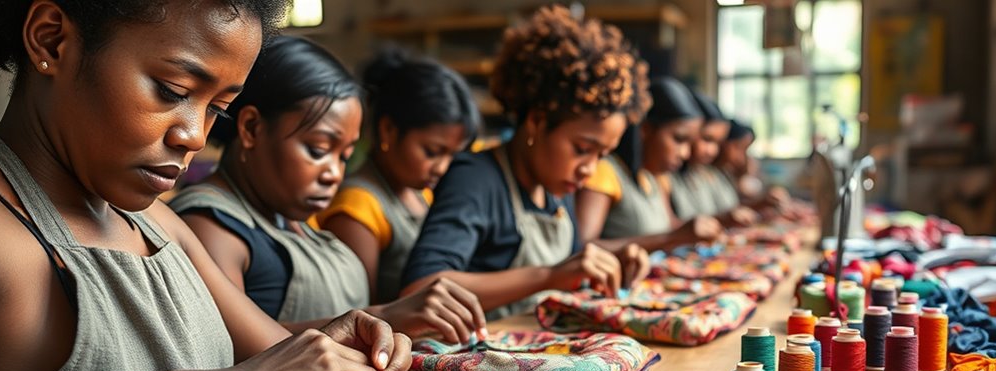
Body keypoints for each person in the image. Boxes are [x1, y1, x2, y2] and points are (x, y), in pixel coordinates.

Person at [0, 0, 409, 371]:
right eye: (173, 91)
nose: (194, 136)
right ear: (52, 39)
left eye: (217, 109)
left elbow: (277, 361)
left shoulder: (158, 224)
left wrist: (338, 344)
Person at [170, 37, 487, 345]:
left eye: (344, 156)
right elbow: (229, 350)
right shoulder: (210, 225)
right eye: (318, 150)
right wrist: (385, 317)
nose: (335, 174)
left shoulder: (286, 215)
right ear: (252, 128)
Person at [401, 5, 652, 317]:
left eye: (601, 155)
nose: (589, 169)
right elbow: (419, 288)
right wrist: (546, 277)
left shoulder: (555, 189)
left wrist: (613, 259)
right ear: (536, 122)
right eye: (582, 148)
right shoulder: (475, 179)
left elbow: (570, 264)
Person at [314, 49, 479, 304]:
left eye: (452, 155)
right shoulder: (358, 205)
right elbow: (360, 311)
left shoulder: (419, 192)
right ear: (388, 129)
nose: (442, 168)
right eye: (432, 152)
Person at [576, 76, 723, 250]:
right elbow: (584, 248)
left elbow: (671, 226)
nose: (685, 154)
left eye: (690, 144)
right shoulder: (605, 171)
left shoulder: (655, 176)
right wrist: (671, 238)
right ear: (646, 129)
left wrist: (701, 227)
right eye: (678, 139)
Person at [671, 88, 758, 227]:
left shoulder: (704, 174)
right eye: (707, 139)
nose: (712, 151)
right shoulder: (668, 179)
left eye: (717, 143)